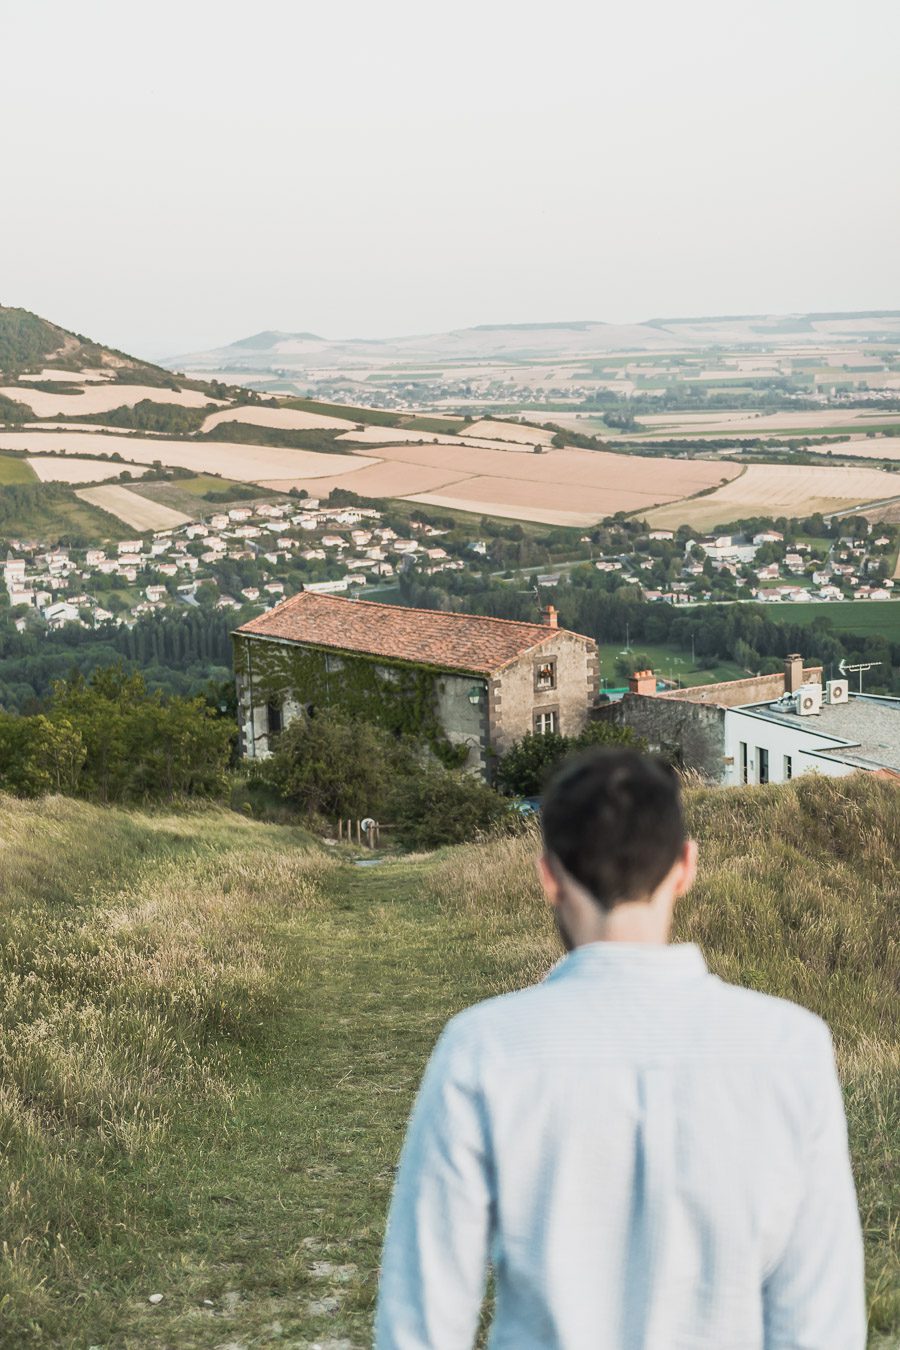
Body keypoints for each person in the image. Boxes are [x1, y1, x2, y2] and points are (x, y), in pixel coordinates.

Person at [375, 748, 865, 1349]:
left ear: (549, 876)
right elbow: (821, 1324)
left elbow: (420, 1323)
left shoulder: (481, 1051)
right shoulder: (793, 1049)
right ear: (685, 866)